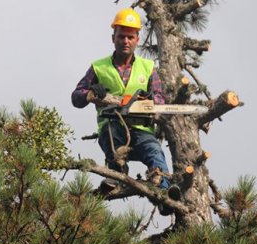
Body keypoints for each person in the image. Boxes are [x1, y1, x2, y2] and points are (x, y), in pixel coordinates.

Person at [71, 8, 179, 215]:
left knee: (155, 153)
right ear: (114, 38)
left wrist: (147, 103)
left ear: (137, 39)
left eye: (130, 37)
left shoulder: (147, 67)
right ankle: (116, 174)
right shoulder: (99, 67)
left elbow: (159, 98)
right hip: (112, 126)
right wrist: (91, 93)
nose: (126, 41)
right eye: (121, 36)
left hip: (141, 128)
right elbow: (76, 96)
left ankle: (164, 195)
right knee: (112, 136)